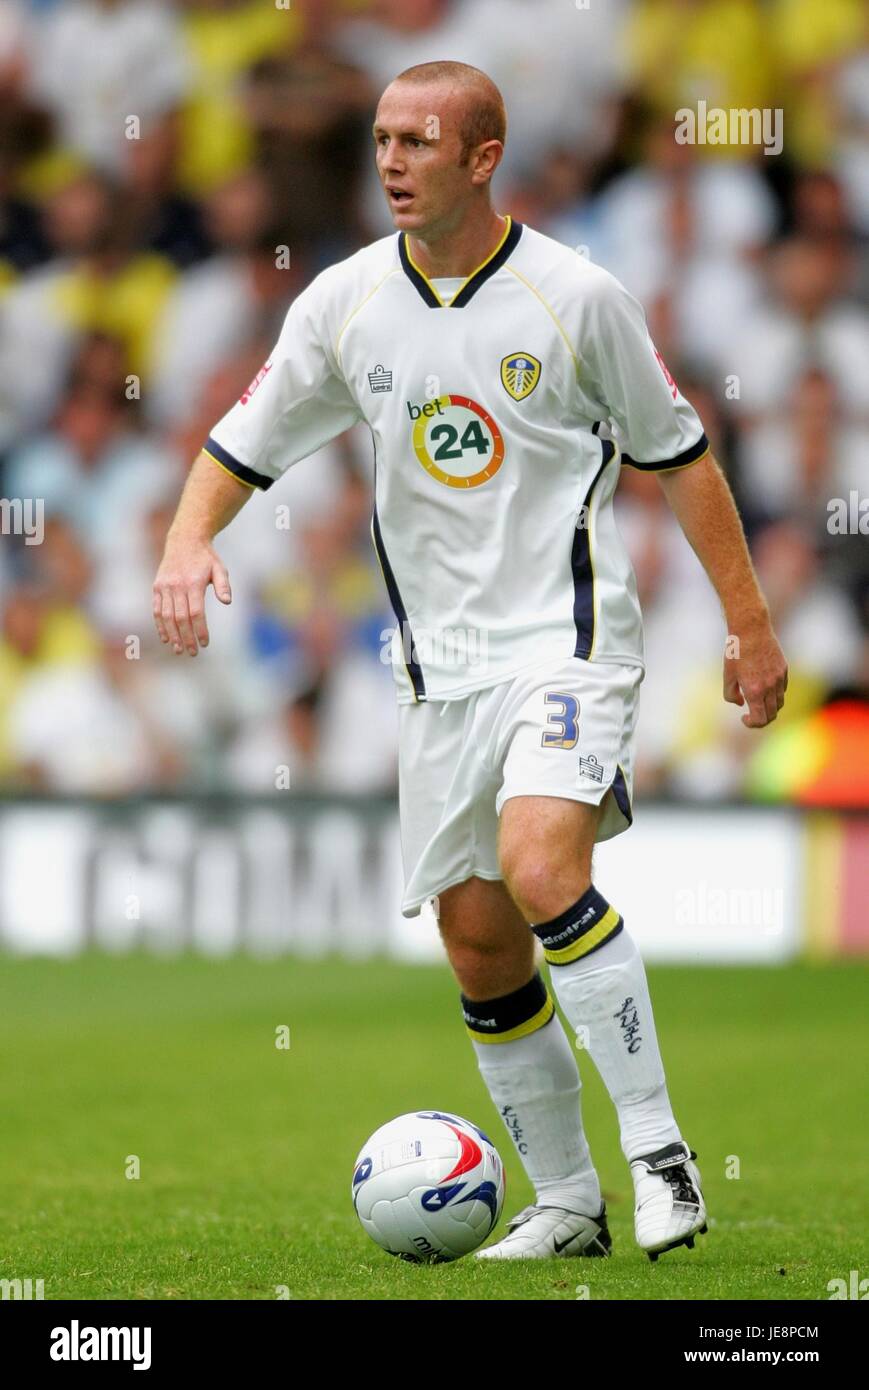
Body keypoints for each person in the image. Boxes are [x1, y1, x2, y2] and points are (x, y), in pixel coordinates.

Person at [152, 61, 788, 1261]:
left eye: (417, 140)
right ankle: (568, 1202)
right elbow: (241, 443)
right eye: (381, 139)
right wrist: (188, 539)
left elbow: (681, 456)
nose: (390, 161)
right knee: (479, 940)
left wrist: (748, 627)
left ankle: (660, 1157)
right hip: (435, 671)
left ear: (482, 157)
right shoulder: (343, 303)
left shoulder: (576, 295)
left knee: (540, 864)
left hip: (565, 639)